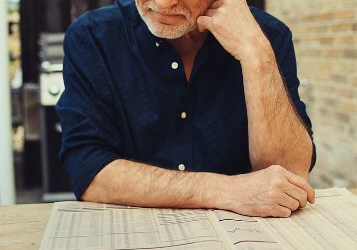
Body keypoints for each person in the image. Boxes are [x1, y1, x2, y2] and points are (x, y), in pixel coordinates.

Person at [56, 0, 316, 217]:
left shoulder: (268, 36)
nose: (163, 2)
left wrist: (256, 54)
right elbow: (87, 169)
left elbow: (290, 176)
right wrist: (223, 190)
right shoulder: (93, 36)